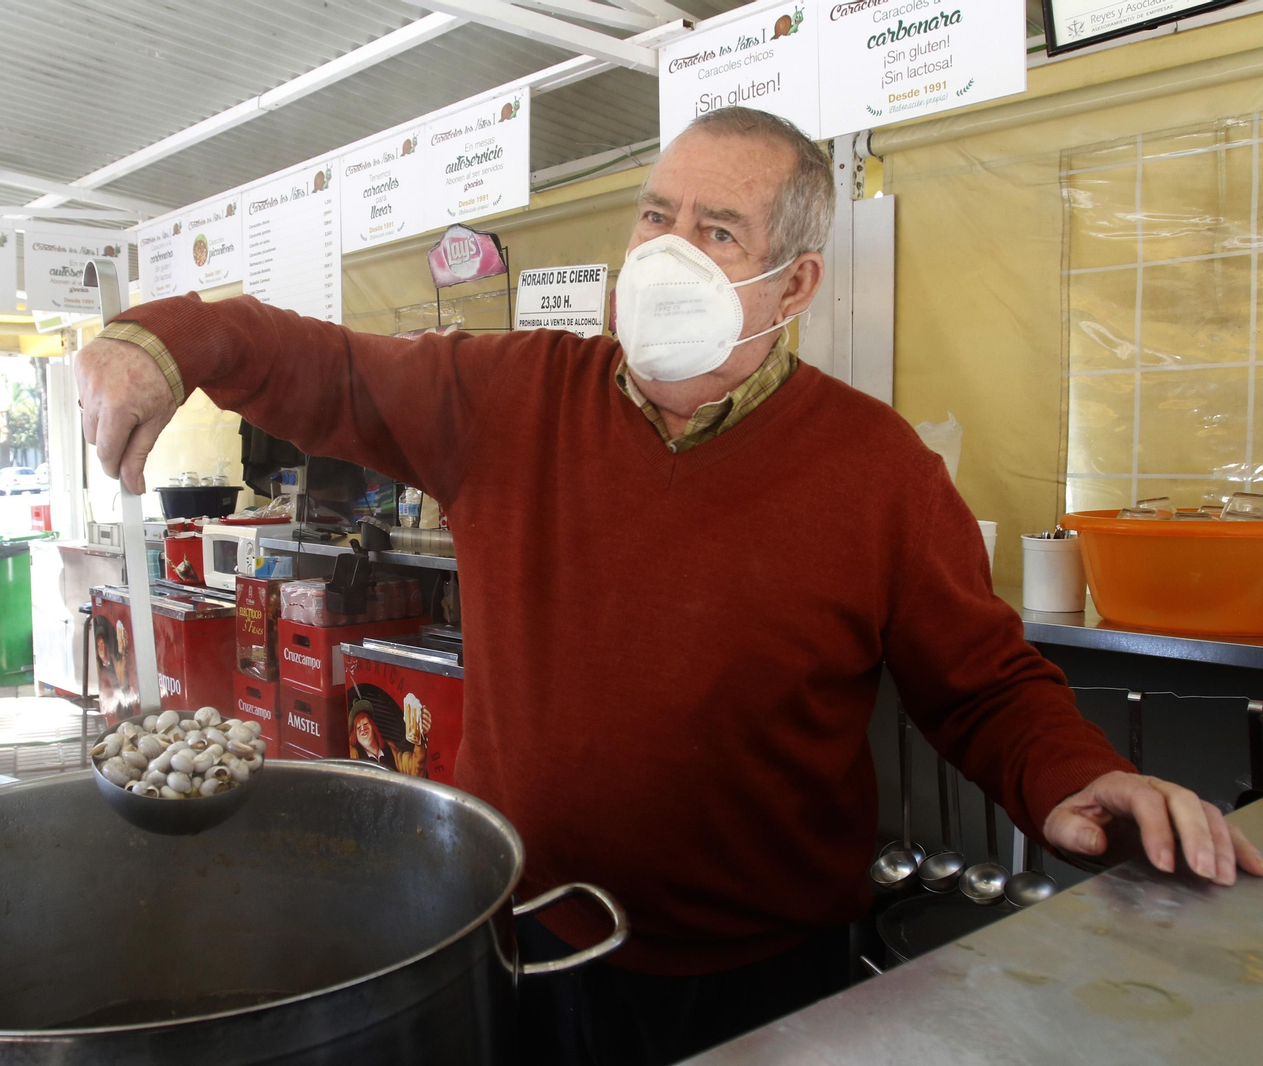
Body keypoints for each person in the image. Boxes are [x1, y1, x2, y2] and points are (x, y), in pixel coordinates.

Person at [74, 107, 1262, 1064]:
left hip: (767, 976)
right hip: (521, 939)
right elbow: (321, 366)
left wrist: (1077, 771)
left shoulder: (876, 467)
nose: (665, 252)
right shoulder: (509, 396)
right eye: (655, 214)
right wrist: (166, 339)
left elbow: (981, 683)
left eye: (717, 231)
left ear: (792, 287)